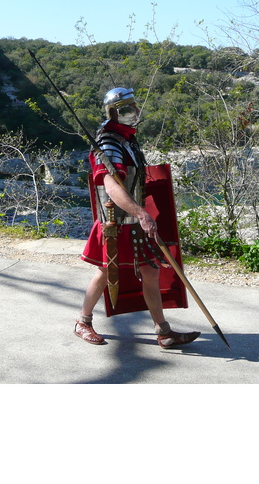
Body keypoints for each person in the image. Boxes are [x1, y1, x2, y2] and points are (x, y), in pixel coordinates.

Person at [75, 87, 200, 348]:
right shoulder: (109, 143)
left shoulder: (126, 140)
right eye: (128, 109)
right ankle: (83, 322)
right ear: (114, 113)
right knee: (104, 273)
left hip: (134, 220)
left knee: (150, 271)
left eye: (135, 107)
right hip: (115, 222)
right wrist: (142, 213)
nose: (135, 113)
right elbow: (111, 186)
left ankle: (163, 331)